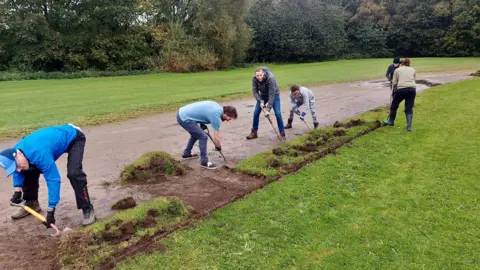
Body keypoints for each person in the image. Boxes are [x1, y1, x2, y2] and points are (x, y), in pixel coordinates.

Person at [0, 124, 95, 228]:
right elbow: (17, 171)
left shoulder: (39, 153)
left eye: (16, 166)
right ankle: (32, 203)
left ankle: (87, 207)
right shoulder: (15, 152)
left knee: (74, 173)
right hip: (49, 142)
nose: (17, 170)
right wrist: (17, 191)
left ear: (19, 155)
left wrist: (51, 211)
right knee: (26, 169)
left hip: (74, 137)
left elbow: (53, 179)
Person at [177, 101, 238, 170]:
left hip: (182, 112)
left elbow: (203, 111)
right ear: (226, 113)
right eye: (229, 118)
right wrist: (218, 147)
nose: (228, 120)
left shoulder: (216, 106)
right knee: (203, 137)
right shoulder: (216, 116)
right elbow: (216, 138)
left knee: (196, 134)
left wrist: (202, 124)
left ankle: (186, 154)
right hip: (184, 118)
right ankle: (204, 162)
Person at [246, 67, 286, 140]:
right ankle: (254, 132)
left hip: (274, 94)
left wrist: (268, 109)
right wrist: (261, 101)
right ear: (255, 76)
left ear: (263, 74)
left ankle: (282, 133)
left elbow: (271, 94)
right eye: (257, 76)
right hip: (263, 95)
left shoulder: (271, 78)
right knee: (256, 113)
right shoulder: (254, 79)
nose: (259, 77)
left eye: (260, 75)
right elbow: (255, 91)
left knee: (278, 113)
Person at [384, 58, 416, 131]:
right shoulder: (413, 69)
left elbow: (394, 83)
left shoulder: (397, 70)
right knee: (409, 108)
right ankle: (409, 126)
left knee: (394, 105)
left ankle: (391, 121)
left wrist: (393, 91)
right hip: (412, 90)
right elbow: (414, 80)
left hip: (401, 89)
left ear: (401, 64)